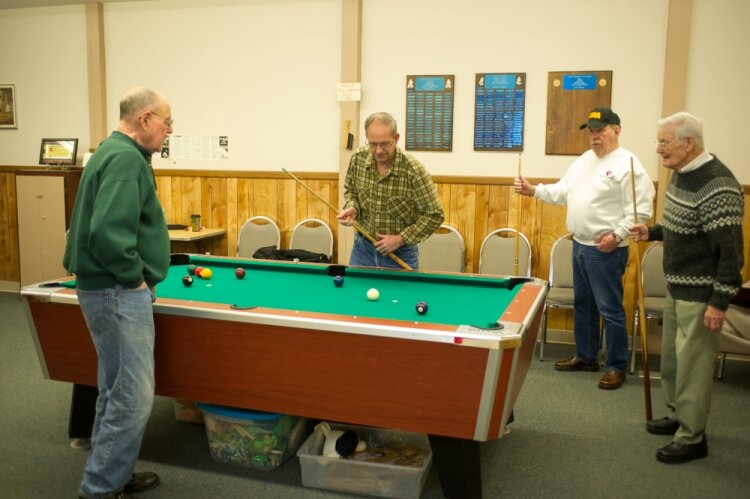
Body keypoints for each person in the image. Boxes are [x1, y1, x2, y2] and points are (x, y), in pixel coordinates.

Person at [64, 86, 173, 498]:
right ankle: (98, 489)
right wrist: (136, 280)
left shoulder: (111, 151)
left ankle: (114, 472)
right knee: (132, 399)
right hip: (116, 291)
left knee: (115, 391)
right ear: (145, 119)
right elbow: (107, 234)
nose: (169, 130)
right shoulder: (127, 159)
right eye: (167, 121)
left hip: (104, 290)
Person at [630, 112, 744, 464]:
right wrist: (654, 232)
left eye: (665, 142)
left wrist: (719, 301)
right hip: (677, 289)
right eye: (658, 141)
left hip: (702, 295)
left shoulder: (718, 185)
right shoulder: (683, 175)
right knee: (675, 363)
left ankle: (693, 437)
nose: (659, 149)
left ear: (689, 142)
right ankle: (679, 415)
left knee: (694, 367)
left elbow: (731, 253)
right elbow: (684, 225)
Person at [515, 107, 655, 390]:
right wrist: (534, 191)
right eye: (591, 131)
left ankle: (616, 366)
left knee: (610, 308)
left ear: (616, 130)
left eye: (600, 130)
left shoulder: (629, 164)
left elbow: (640, 211)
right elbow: (563, 191)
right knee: (584, 304)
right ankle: (586, 356)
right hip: (579, 243)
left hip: (606, 249)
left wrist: (616, 236)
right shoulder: (583, 161)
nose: (594, 136)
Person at [337, 112, 444, 269]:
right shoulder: (358, 159)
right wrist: (353, 207)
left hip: (401, 253)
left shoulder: (413, 170)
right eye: (373, 144)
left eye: (385, 144)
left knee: (402, 295)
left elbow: (434, 215)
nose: (378, 151)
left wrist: (400, 239)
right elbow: (351, 191)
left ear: (396, 138)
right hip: (362, 250)